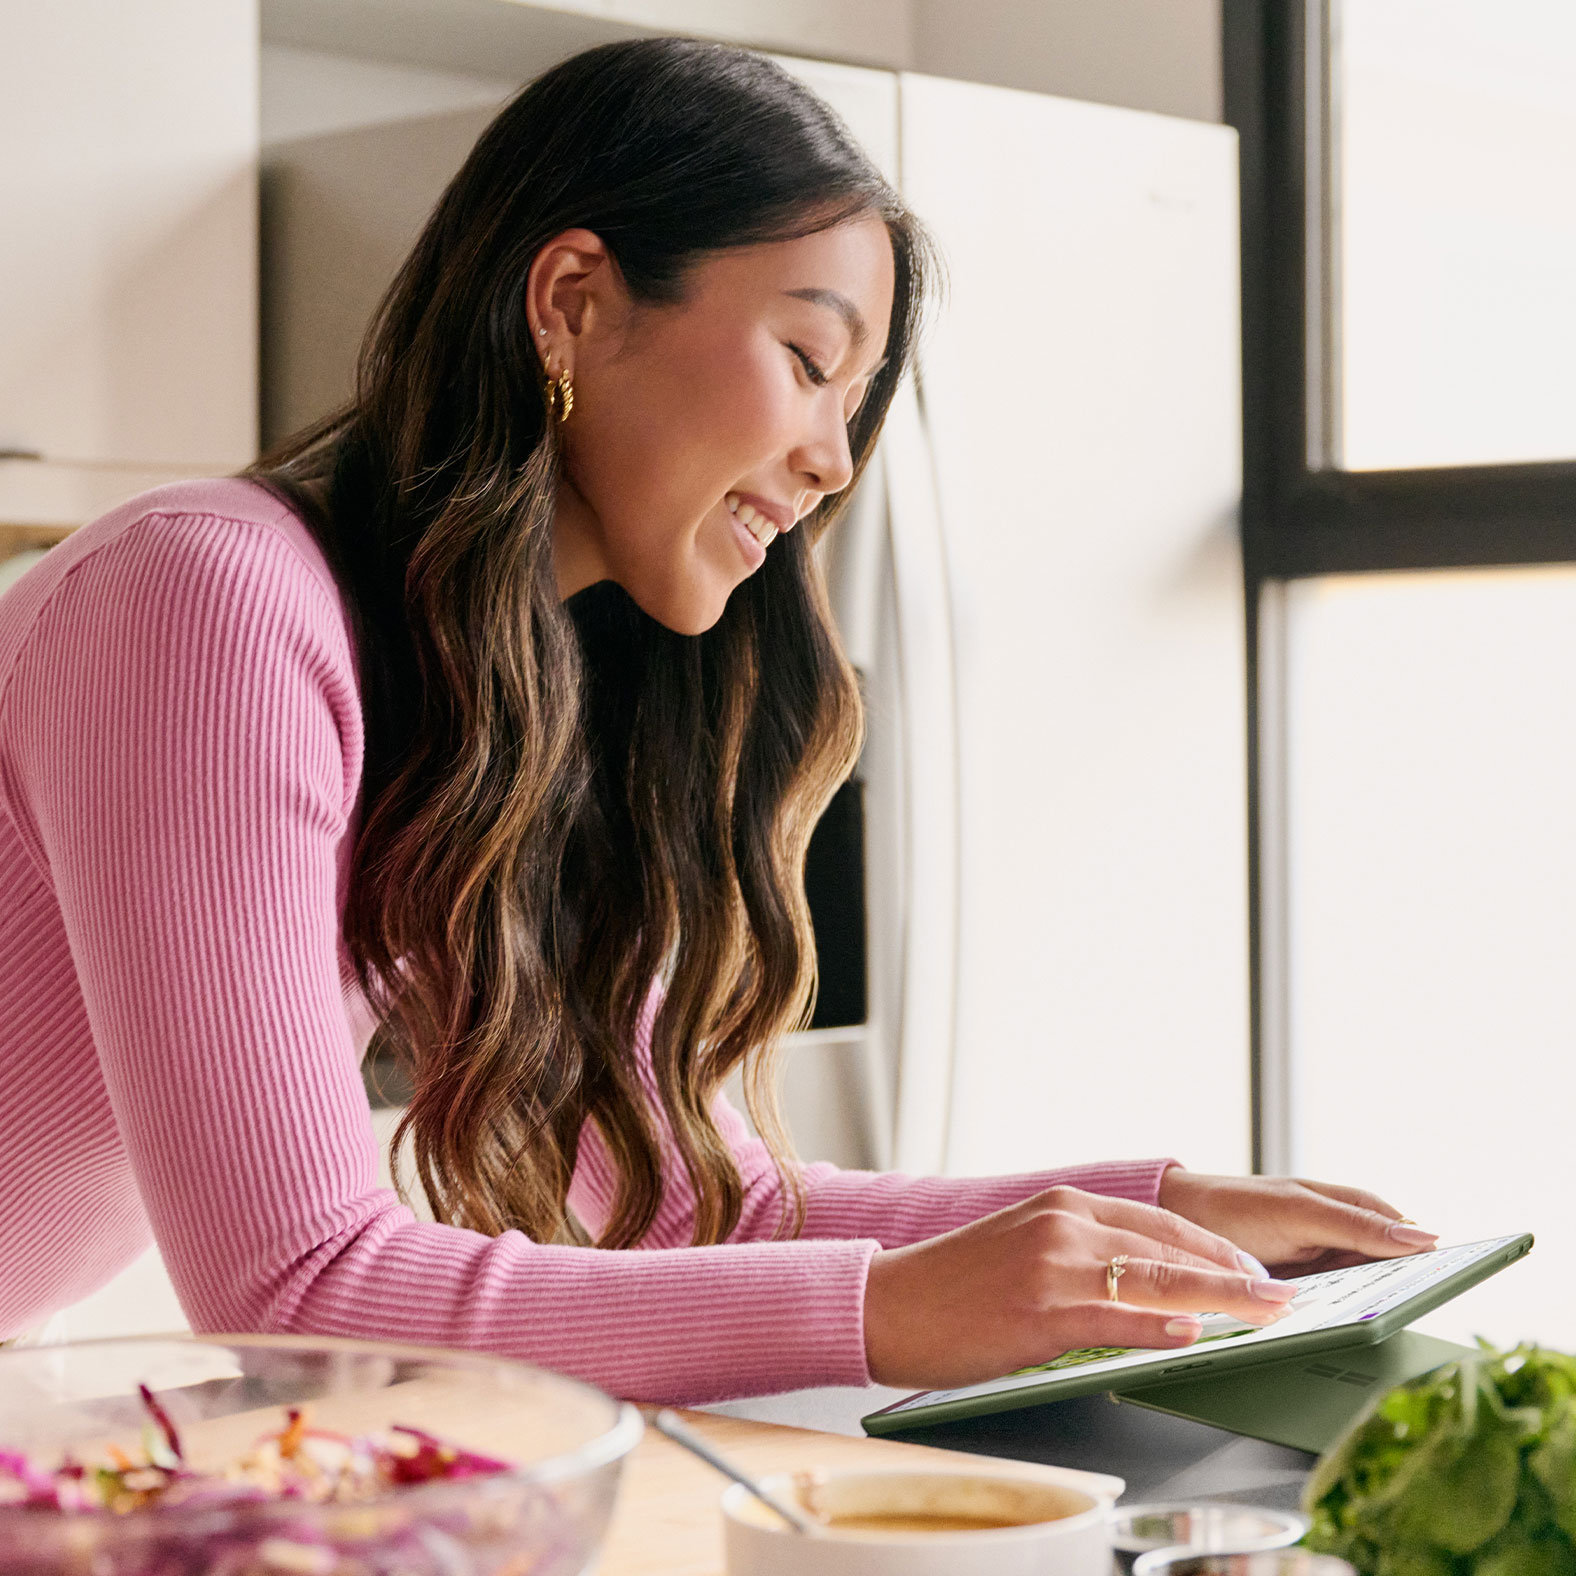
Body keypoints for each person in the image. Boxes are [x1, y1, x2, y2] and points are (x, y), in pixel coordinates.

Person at [0, 38, 1436, 1399]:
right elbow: (298, 1286)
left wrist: (1154, 1219)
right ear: (569, 299)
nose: (830, 463)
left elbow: (691, 1194)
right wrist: (888, 1310)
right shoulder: (202, 603)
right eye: (812, 365)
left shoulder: (500, 687)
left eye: (859, 408)